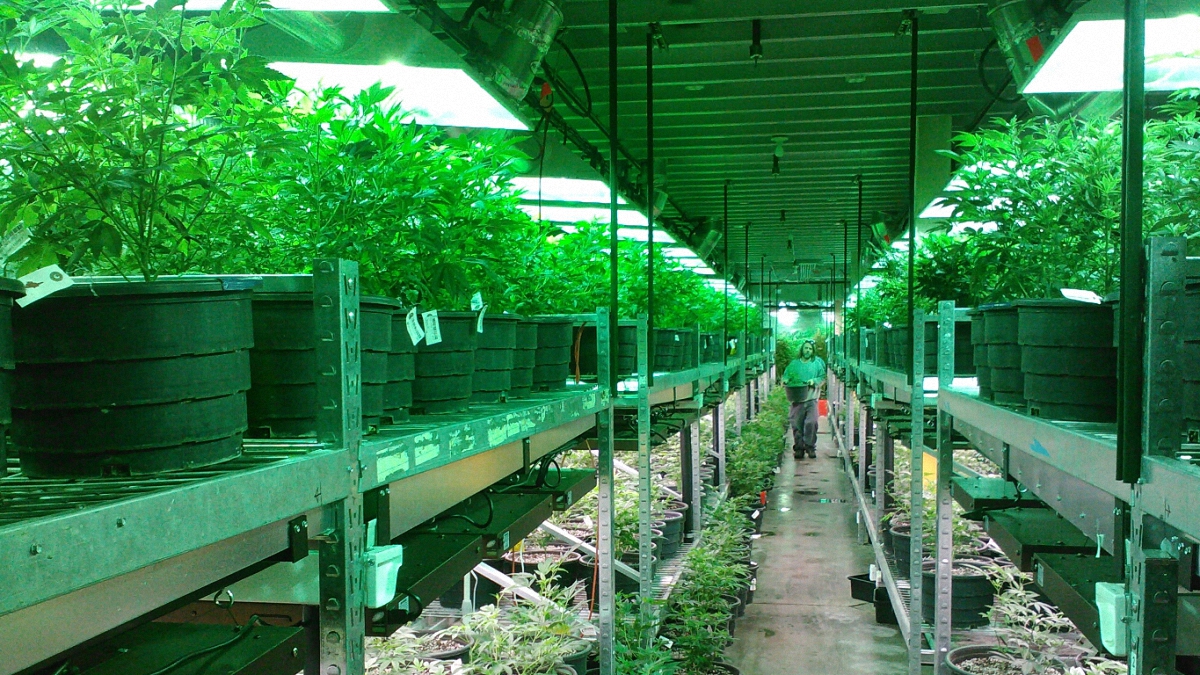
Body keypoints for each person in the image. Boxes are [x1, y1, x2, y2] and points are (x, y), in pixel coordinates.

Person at [782, 339, 826, 458]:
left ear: (813, 351)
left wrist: (814, 381)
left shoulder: (816, 363)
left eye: (810, 349)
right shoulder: (794, 364)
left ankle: (810, 446)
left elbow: (822, 377)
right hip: (797, 399)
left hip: (811, 399)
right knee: (797, 424)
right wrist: (785, 380)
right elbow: (786, 376)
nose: (808, 351)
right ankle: (799, 448)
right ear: (802, 349)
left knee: (812, 422)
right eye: (806, 348)